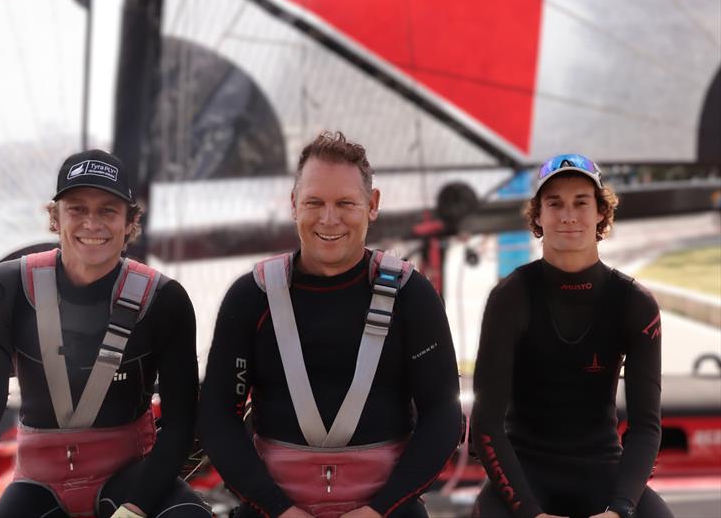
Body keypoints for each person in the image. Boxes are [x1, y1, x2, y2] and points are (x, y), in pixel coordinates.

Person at [198, 131, 463, 518]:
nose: (328, 218)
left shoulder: (412, 295)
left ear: (372, 205)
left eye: (345, 203)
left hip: (387, 510)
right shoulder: (251, 297)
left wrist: (378, 510)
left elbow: (443, 414)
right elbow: (218, 416)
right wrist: (278, 508)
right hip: (273, 509)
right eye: (314, 202)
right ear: (294, 204)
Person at [0, 149, 211, 518]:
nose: (92, 223)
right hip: (38, 483)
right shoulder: (4, 291)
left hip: (131, 475)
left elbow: (180, 427)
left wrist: (136, 509)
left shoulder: (164, 300)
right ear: (55, 217)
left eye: (108, 211)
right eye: (77, 209)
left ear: (130, 222)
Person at [470, 154, 673, 518]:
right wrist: (530, 512)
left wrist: (620, 509)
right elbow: (486, 426)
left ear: (600, 213)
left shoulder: (634, 303)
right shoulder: (510, 297)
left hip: (603, 470)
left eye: (581, 202)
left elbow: (646, 428)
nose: (568, 215)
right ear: (538, 215)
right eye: (555, 204)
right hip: (525, 473)